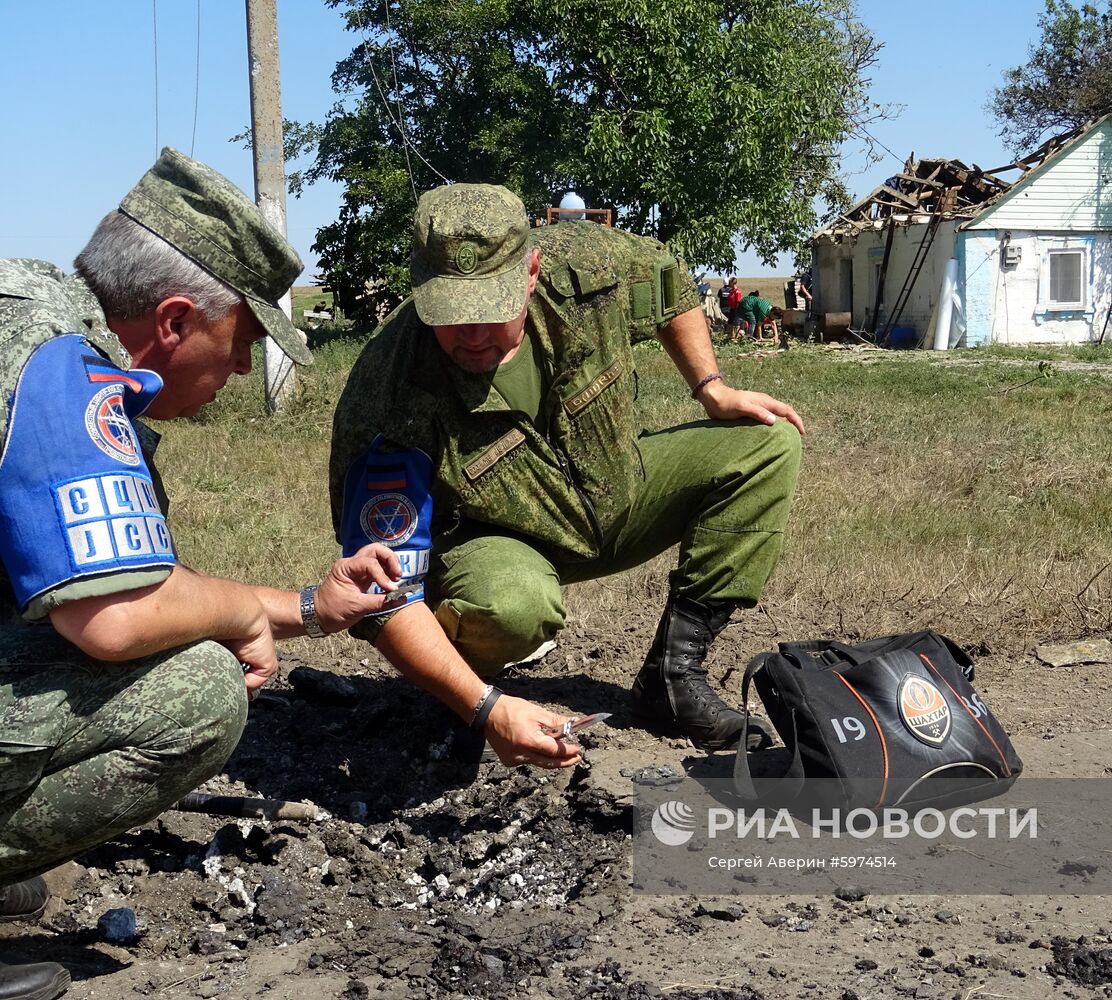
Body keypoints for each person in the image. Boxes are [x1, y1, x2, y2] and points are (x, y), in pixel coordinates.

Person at [0, 149, 400, 1000]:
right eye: (245, 339)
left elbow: (132, 581)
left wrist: (303, 607)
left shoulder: (35, 327)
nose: (246, 369)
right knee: (197, 692)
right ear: (176, 319)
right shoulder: (60, 365)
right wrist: (236, 624)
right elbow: (115, 617)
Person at [329, 183, 805, 772]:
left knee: (767, 444)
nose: (472, 333)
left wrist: (711, 387)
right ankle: (463, 689)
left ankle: (673, 679)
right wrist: (482, 709)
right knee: (511, 605)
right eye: (451, 314)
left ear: (531, 272)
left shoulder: (586, 268)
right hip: (499, 546)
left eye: (492, 308)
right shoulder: (386, 396)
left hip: (618, 496)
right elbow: (380, 592)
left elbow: (667, 281)